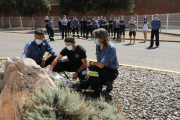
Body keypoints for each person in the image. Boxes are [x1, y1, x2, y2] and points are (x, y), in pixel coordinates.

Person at [79, 28, 119, 97]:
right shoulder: (98, 46)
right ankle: (103, 83)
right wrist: (90, 73)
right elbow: (99, 62)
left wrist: (91, 64)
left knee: (92, 66)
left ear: (102, 38)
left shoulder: (110, 48)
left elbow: (101, 65)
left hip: (111, 72)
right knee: (83, 85)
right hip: (102, 70)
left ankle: (97, 92)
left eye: (95, 37)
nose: (94, 39)